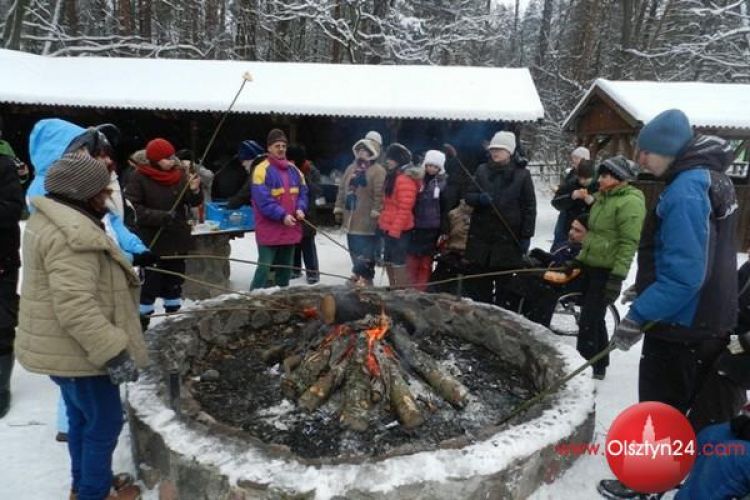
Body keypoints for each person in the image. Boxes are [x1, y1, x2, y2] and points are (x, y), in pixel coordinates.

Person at [600, 109, 739, 499]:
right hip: (705, 320)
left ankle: (644, 482)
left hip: (681, 327)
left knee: (660, 411)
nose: (639, 160)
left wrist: (640, 314)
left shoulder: (685, 189)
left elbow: (685, 276)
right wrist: (646, 288)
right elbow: (695, 260)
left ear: (669, 149)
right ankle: (665, 479)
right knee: (681, 411)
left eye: (646, 152)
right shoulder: (713, 179)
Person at [16, 153, 145, 500]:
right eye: (103, 190)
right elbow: (76, 307)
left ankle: (86, 483)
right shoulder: (73, 236)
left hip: (65, 348)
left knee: (80, 419)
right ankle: (92, 492)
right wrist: (115, 352)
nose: (108, 196)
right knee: (104, 422)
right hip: (81, 354)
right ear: (84, 193)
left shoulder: (53, 218)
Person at [574, 156, 645, 380]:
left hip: (606, 271)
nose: (600, 179)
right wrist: (579, 258)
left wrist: (617, 277)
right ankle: (599, 363)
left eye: (605, 175)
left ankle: (583, 371)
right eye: (601, 175)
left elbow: (628, 243)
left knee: (588, 321)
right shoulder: (603, 197)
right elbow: (594, 234)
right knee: (593, 318)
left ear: (620, 178)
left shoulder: (630, 202)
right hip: (590, 265)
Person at [125, 138, 202, 329]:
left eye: (172, 156)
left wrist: (194, 190)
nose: (171, 161)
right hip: (153, 240)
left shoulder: (179, 175)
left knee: (174, 282)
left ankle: (174, 321)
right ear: (155, 159)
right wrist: (160, 217)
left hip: (177, 239)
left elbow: (192, 202)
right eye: (166, 158)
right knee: (150, 284)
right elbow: (133, 209)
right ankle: (142, 325)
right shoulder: (138, 177)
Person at [464, 130, 536, 306]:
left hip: (508, 239)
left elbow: (529, 207)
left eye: (500, 149)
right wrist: (479, 199)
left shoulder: (522, 175)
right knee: (480, 290)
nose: (495, 152)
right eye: (493, 149)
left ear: (510, 152)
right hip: (481, 239)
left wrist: (526, 235)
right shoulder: (481, 170)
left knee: (505, 290)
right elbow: (468, 195)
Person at [249, 129, 308, 290]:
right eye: (277, 145)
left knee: (286, 269)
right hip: (269, 229)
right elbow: (263, 201)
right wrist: (282, 216)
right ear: (269, 148)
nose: (281, 149)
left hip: (290, 228)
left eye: (283, 145)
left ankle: (283, 299)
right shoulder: (261, 170)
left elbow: (303, 192)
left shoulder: (294, 170)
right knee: (264, 267)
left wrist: (301, 208)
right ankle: (253, 299)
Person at [519, 213, 589, 328]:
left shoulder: (582, 253)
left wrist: (540, 273)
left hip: (562, 287)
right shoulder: (567, 245)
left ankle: (533, 324)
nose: (571, 232)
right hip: (552, 279)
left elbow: (563, 274)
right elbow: (556, 260)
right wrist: (541, 255)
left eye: (577, 231)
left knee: (527, 283)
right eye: (571, 228)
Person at [333, 134, 386, 286]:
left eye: (365, 151)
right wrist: (339, 207)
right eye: (360, 150)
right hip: (351, 216)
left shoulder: (378, 171)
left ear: (371, 153)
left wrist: (377, 211)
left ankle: (366, 277)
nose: (362, 153)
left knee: (367, 250)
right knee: (354, 248)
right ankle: (357, 272)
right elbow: (342, 189)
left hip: (367, 218)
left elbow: (379, 194)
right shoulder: (351, 168)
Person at [0, 125, 24, 418]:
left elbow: (11, 209)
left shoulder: (4, 166)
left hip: (1, 259)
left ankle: (1, 387)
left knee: (1, 324)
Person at [378, 143, 423, 288]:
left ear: (399, 160)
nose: (388, 161)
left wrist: (395, 230)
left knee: (399, 261)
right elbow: (387, 205)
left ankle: (401, 291)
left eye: (391, 159)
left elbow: (405, 208)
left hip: (401, 230)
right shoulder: (392, 176)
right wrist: (382, 223)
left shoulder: (405, 179)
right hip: (389, 227)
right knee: (388, 260)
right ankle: (393, 287)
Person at [406, 149, 446, 291]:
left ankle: (421, 288)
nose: (431, 169)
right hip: (415, 225)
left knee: (426, 261)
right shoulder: (418, 180)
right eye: (429, 165)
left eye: (435, 167)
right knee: (412, 259)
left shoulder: (442, 183)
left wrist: (442, 227)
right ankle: (409, 286)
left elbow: (444, 205)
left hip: (432, 227)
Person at [287, 144, 322, 284]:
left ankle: (313, 272)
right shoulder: (288, 170)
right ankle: (295, 269)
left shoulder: (311, 170)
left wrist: (305, 183)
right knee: (295, 241)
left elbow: (318, 190)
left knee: (307, 243)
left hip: (308, 213)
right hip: (292, 212)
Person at [551, 146, 590, 250]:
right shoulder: (570, 176)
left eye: (577, 158)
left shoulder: (593, 178)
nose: (574, 161)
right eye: (573, 158)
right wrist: (570, 196)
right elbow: (557, 200)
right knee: (559, 247)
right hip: (565, 218)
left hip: (582, 221)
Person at [550, 159, 597, 229]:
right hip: (571, 227)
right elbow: (555, 202)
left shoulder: (598, 187)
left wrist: (593, 202)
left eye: (586, 178)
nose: (582, 181)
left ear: (592, 177)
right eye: (580, 178)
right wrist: (571, 197)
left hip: (591, 228)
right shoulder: (571, 184)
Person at [226, 140, 265, 209]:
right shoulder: (269, 164)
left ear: (249, 159)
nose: (242, 164)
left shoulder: (259, 169)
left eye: (243, 161)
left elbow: (245, 193)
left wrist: (230, 205)